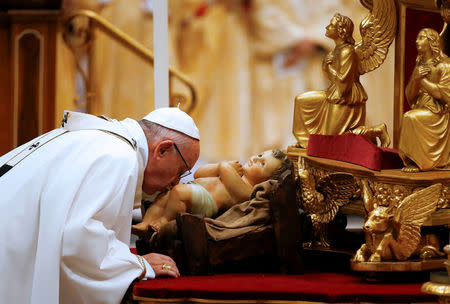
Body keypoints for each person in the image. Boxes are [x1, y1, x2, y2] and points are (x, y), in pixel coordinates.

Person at [0, 107, 200, 304]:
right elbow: (78, 240)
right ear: (162, 149)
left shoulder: (103, 139)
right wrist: (140, 265)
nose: (176, 182)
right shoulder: (117, 156)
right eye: (181, 170)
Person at [132, 149, 292, 235]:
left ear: (266, 181)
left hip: (206, 203)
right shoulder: (234, 172)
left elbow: (226, 175)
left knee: (179, 193)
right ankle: (146, 223)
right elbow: (198, 173)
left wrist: (223, 166)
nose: (256, 159)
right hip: (195, 189)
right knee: (163, 196)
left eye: (262, 164)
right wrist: (216, 167)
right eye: (259, 155)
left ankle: (164, 222)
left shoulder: (247, 191)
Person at [292, 13, 368, 148]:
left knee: (331, 139)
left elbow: (343, 83)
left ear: (341, 31)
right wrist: (326, 67)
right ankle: (306, 141)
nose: (327, 27)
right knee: (301, 100)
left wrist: (328, 67)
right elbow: (331, 77)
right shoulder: (336, 50)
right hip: (334, 93)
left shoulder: (347, 52)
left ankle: (373, 132)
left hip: (345, 98)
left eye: (331, 25)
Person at [399, 28, 450, 172]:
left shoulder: (444, 65)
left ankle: (418, 162)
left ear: (432, 42)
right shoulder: (420, 65)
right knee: (410, 116)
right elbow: (409, 95)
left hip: (439, 114)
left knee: (409, 117)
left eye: (422, 38)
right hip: (423, 108)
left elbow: (442, 94)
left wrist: (422, 81)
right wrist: (416, 79)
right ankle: (413, 160)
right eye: (417, 37)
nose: (417, 41)